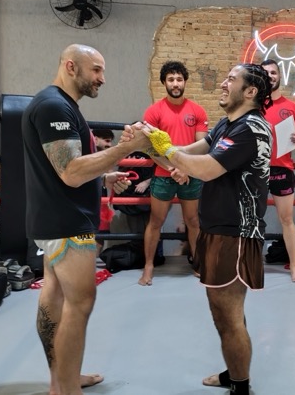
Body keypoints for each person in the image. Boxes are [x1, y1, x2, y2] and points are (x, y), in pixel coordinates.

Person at [129, 63, 272, 395]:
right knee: (223, 312)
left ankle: (240, 385)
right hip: (216, 229)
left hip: (236, 233)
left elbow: (205, 169)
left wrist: (164, 150)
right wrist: (149, 143)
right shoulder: (227, 123)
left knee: (228, 314)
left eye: (231, 79)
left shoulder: (251, 128)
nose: (223, 83)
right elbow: (188, 153)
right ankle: (235, 372)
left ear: (250, 91)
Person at [22, 44, 150, 395]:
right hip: (67, 223)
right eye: (96, 69)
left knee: (54, 297)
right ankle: (66, 389)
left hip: (55, 218)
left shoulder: (59, 104)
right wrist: (126, 148)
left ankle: (62, 378)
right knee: (80, 304)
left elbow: (64, 168)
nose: (102, 78)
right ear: (70, 67)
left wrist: (103, 178)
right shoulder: (54, 106)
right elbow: (71, 172)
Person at [139, 60, 208, 286]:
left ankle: (198, 263)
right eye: (171, 79)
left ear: (185, 81)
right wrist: (173, 168)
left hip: (190, 174)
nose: (175, 83)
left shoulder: (197, 110)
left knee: (193, 221)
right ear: (164, 83)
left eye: (179, 79)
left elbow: (202, 146)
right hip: (163, 174)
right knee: (156, 220)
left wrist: (184, 167)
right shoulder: (154, 111)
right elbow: (149, 148)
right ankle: (148, 266)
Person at [260, 59, 295, 282]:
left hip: (282, 168)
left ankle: (294, 266)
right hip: (257, 169)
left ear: (279, 76)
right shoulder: (253, 104)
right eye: (266, 73)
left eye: (273, 72)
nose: (270, 76)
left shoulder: (290, 106)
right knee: (253, 219)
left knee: (287, 219)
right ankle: (250, 263)